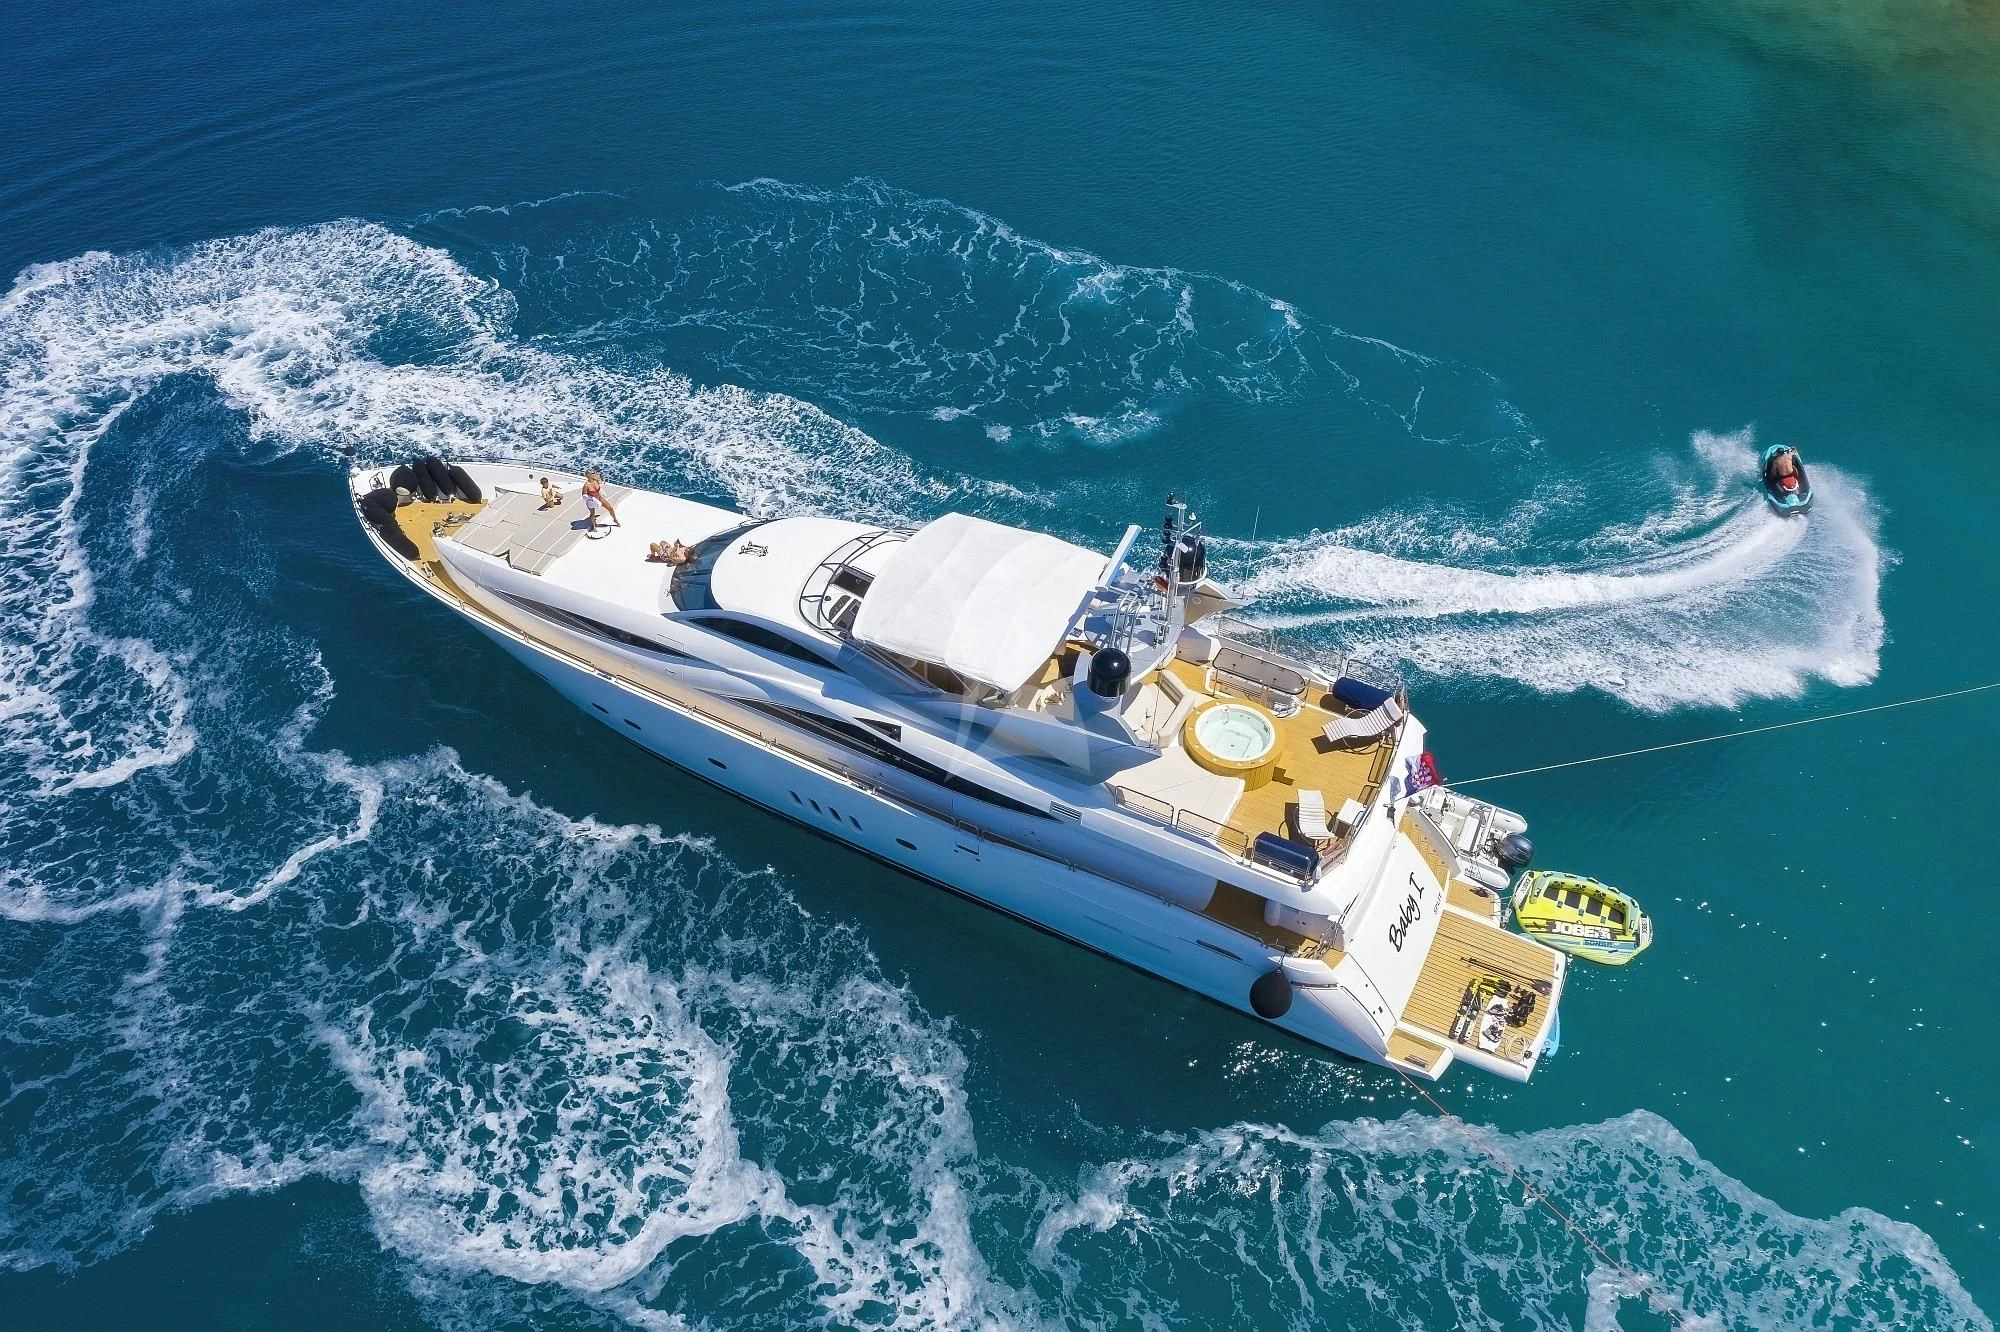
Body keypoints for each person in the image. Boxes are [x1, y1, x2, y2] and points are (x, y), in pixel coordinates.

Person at [582, 469, 620, 534]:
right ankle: (594, 526)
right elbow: (584, 495)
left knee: (610, 508)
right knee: (592, 514)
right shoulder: (586, 485)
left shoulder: (596, 480)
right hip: (591, 501)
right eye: (593, 473)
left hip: (599, 498)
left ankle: (615, 519)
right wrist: (590, 498)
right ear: (589, 475)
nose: (595, 474)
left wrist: (602, 491)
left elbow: (600, 486)